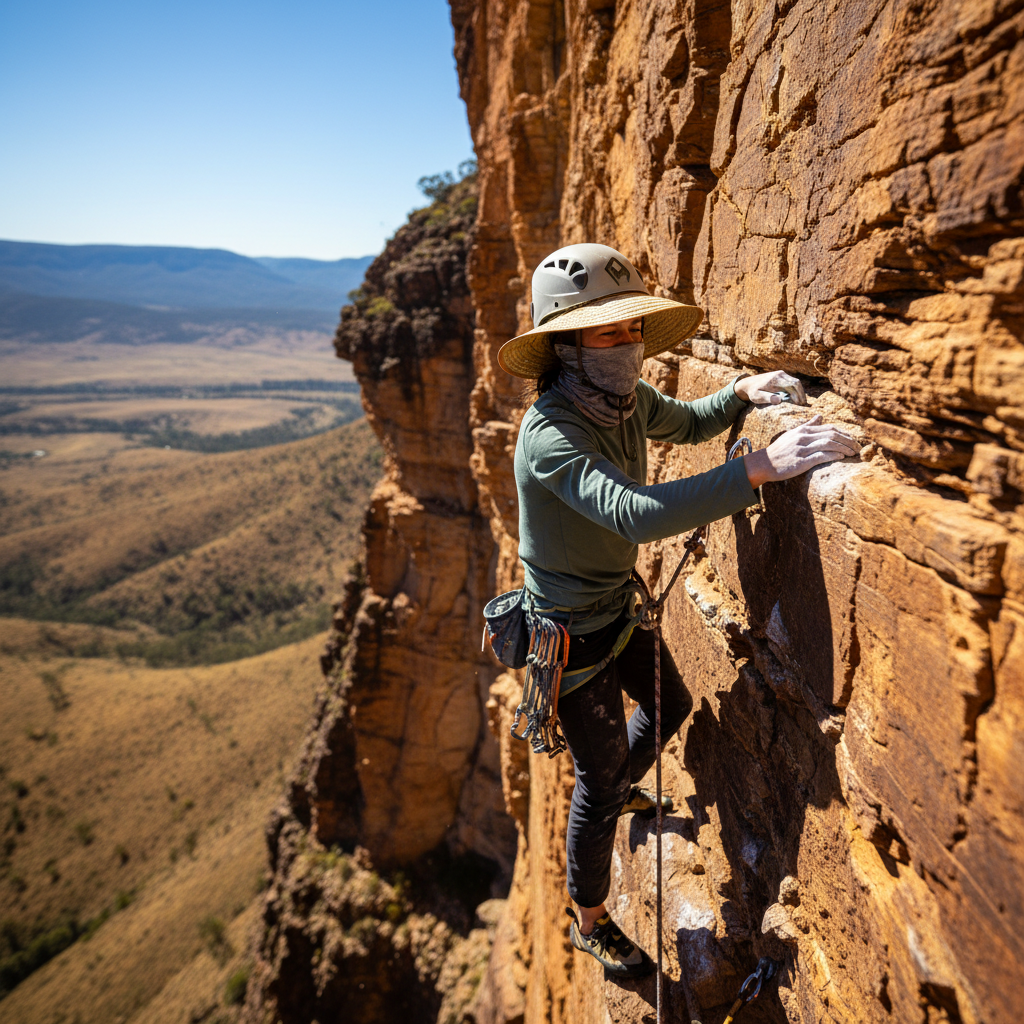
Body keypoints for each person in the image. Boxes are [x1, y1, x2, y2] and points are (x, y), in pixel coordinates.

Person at [496, 243, 859, 977]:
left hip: (613, 611)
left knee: (671, 705)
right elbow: (630, 513)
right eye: (608, 332)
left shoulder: (620, 401)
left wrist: (743, 394)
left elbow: (688, 423)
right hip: (567, 636)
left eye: (633, 327)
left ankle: (621, 787)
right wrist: (755, 469)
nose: (628, 343)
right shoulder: (553, 435)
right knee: (596, 790)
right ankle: (589, 921)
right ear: (564, 347)